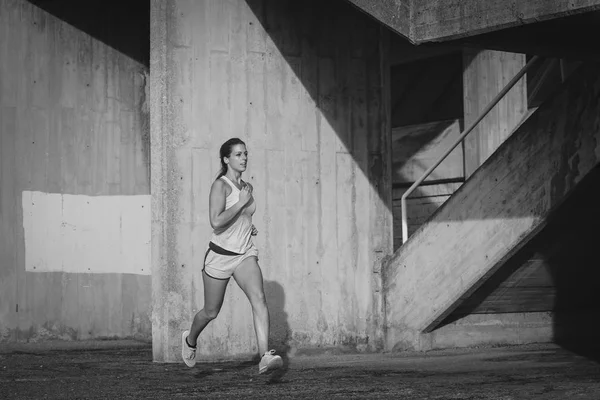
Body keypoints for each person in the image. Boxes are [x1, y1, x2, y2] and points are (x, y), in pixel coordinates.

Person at [181, 138, 283, 375]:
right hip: (220, 256)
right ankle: (190, 339)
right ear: (226, 159)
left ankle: (264, 356)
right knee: (211, 311)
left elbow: (243, 216)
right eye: (238, 154)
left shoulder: (246, 187)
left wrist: (248, 225)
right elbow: (215, 221)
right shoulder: (221, 186)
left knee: (259, 298)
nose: (244, 158)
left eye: (245, 154)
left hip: (245, 254)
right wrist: (241, 204)